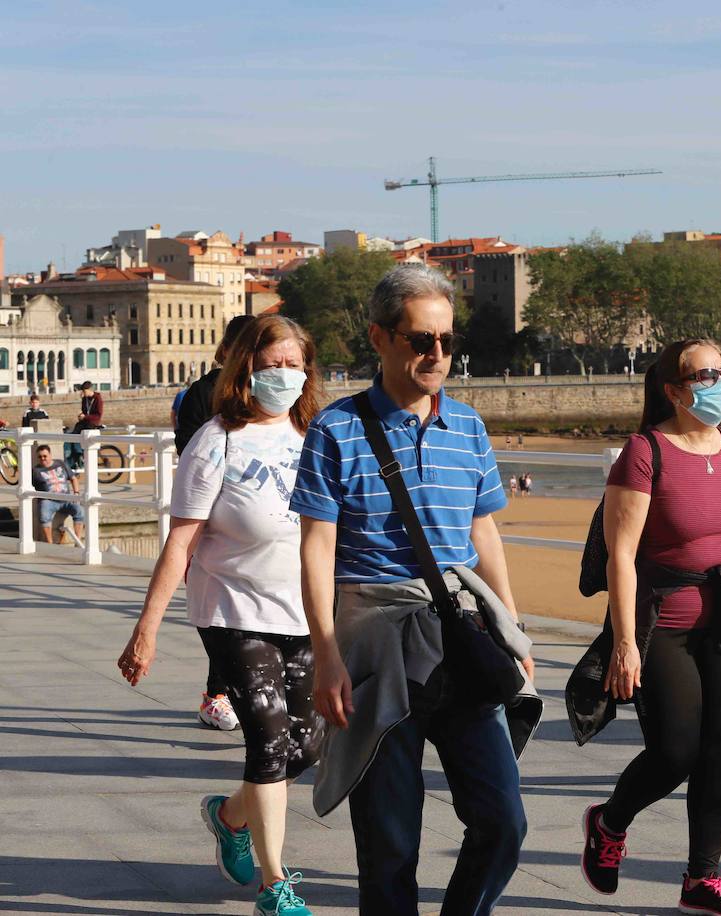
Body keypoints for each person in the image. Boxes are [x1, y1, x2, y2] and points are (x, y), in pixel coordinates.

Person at [293, 264, 532, 916]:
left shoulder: (470, 428)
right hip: (375, 645)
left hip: (461, 633)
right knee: (390, 845)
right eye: (420, 339)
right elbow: (316, 548)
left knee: (503, 821)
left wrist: (510, 625)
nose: (437, 354)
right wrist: (326, 654)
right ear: (380, 337)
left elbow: (484, 533)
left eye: (447, 341)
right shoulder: (335, 431)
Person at [577, 338, 721, 916]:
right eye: (704, 375)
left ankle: (703, 880)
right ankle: (608, 822)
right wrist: (625, 643)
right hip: (664, 625)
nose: (718, 381)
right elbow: (621, 556)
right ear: (673, 390)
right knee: (675, 752)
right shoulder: (644, 451)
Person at [116, 314, 328, 916]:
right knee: (265, 734)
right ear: (246, 369)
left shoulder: (319, 435)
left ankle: (230, 817)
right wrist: (146, 632)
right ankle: (274, 883)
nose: (282, 376)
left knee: (305, 748)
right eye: (271, 365)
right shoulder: (219, 439)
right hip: (232, 607)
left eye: (294, 365)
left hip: (305, 609)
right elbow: (180, 541)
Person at [175, 313, 255, 731]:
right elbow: (188, 449)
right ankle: (216, 694)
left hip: (259, 523)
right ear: (227, 350)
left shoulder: (268, 395)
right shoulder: (202, 394)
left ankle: (239, 689)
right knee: (224, 613)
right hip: (215, 520)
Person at [178, 315, 256, 453]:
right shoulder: (203, 392)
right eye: (243, 350)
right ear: (226, 351)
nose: (250, 357)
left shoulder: (268, 388)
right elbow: (187, 446)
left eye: (256, 350)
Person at [31, 444, 85, 544]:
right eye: (40, 457)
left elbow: (73, 478)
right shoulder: (35, 471)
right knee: (44, 514)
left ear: (50, 455)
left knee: (80, 511)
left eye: (45, 456)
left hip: (66, 498)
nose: (42, 459)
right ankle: (50, 543)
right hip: (48, 500)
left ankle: (78, 541)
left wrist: (76, 493)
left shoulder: (60, 463)